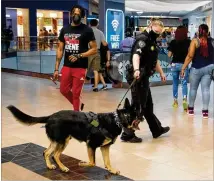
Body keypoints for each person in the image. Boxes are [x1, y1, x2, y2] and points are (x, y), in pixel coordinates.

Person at [121, 18, 170, 143]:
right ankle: (127, 134)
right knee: (138, 105)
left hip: (144, 77)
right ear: (150, 26)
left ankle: (156, 129)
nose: (157, 34)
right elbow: (136, 55)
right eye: (156, 31)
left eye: (159, 33)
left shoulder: (152, 40)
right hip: (138, 77)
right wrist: (136, 69)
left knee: (148, 106)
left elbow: (154, 60)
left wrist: (162, 72)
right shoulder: (142, 39)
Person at [53, 5, 97, 111]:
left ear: (81, 15)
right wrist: (56, 69)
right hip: (67, 66)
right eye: (74, 13)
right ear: (71, 14)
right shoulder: (64, 29)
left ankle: (77, 115)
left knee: (76, 93)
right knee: (63, 90)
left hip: (80, 66)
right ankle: (78, 104)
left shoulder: (87, 30)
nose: (76, 15)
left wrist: (79, 55)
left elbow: (94, 49)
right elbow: (60, 50)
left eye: (78, 13)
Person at [181, 24, 214, 119]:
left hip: (196, 68)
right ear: (207, 31)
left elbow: (190, 56)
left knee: (193, 89)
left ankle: (191, 109)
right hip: (209, 68)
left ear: (198, 31)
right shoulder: (212, 41)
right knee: (206, 89)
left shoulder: (195, 41)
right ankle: (205, 112)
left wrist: (183, 68)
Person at [167, 26, 191, 110]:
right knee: (184, 83)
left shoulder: (173, 42)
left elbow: (169, 55)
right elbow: (190, 54)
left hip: (174, 65)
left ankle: (175, 101)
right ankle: (184, 99)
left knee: (175, 83)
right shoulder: (189, 42)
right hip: (183, 65)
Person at [88, 19, 108, 92]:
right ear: (97, 24)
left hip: (89, 51)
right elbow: (104, 43)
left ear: (90, 24)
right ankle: (96, 87)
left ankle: (78, 85)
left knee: (84, 69)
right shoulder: (100, 32)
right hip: (97, 52)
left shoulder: (87, 31)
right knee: (96, 70)